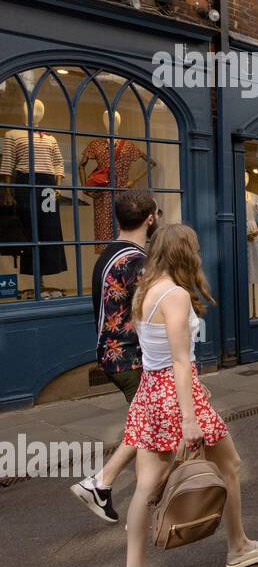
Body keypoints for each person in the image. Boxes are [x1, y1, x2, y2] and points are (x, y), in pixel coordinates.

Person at [117, 223, 258, 567]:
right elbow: (180, 360)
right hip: (177, 396)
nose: (200, 255)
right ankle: (238, 546)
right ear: (183, 253)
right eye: (196, 248)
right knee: (231, 465)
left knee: (145, 487)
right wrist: (189, 418)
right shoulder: (175, 295)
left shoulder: (144, 291)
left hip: (151, 393)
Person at [71, 191, 160, 524]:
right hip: (130, 359)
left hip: (114, 355)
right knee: (154, 421)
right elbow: (150, 316)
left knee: (148, 421)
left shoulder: (110, 253)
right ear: (150, 218)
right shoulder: (136, 261)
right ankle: (104, 484)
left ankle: (127, 489)